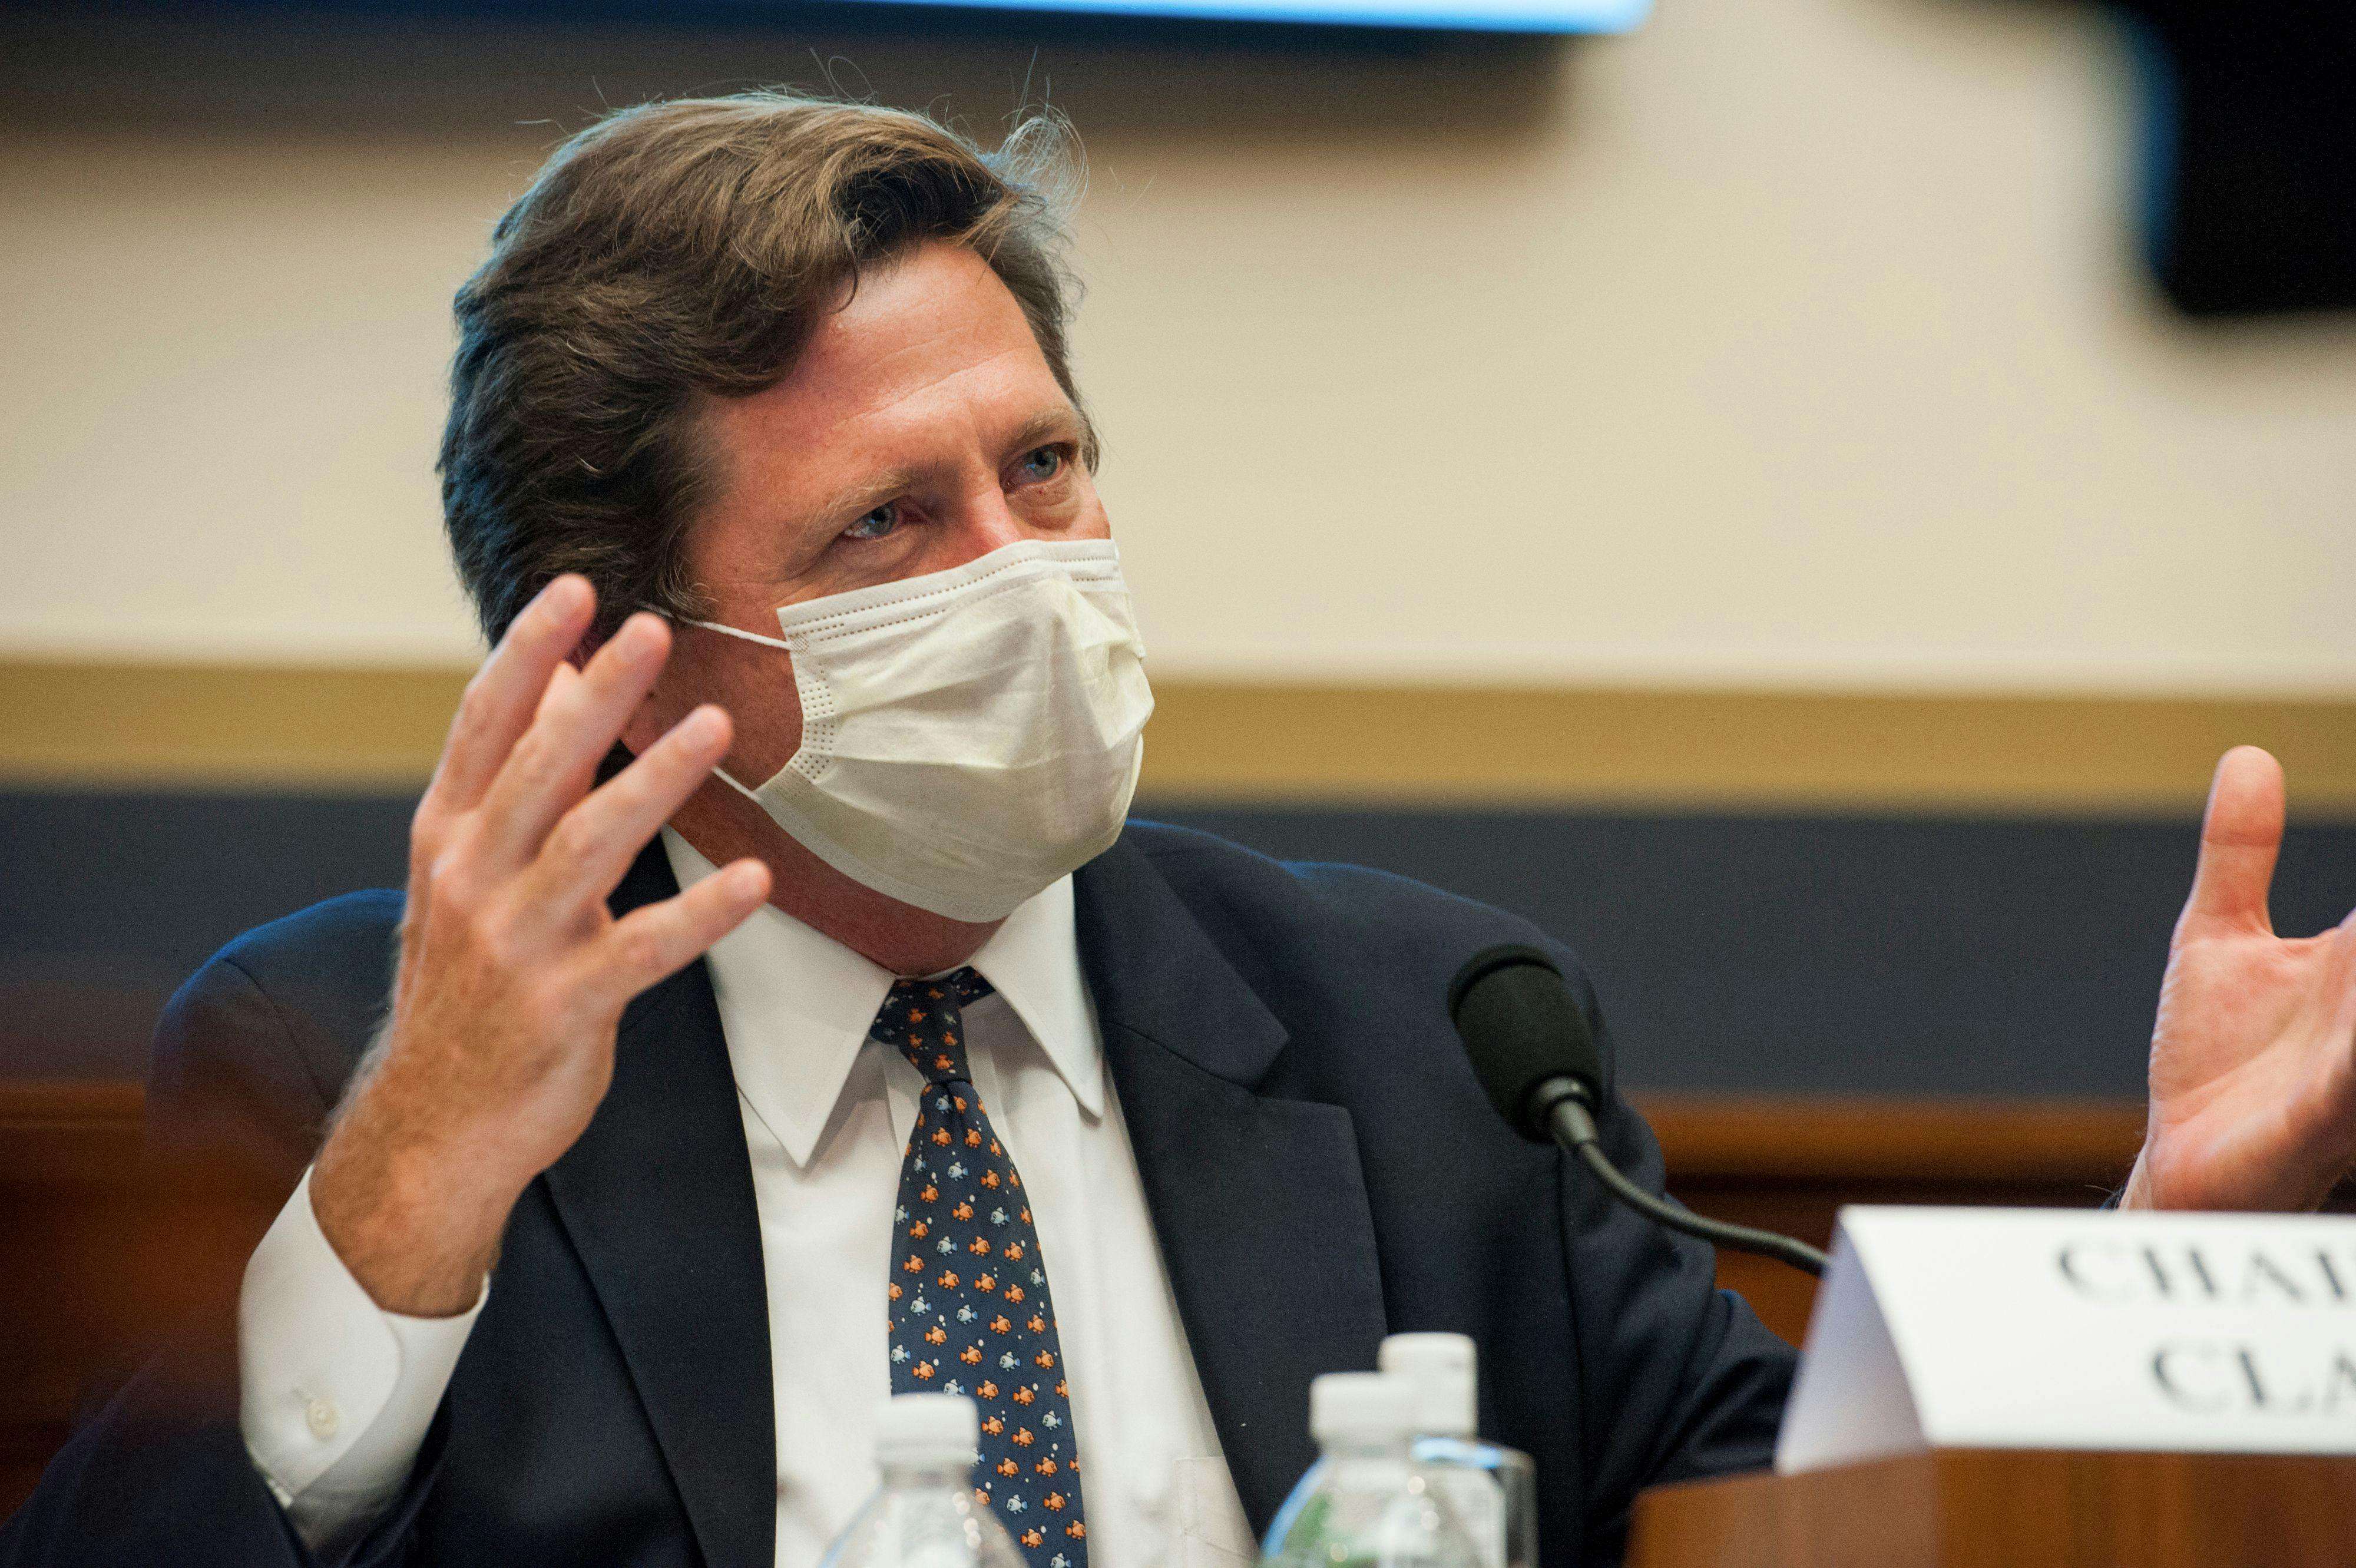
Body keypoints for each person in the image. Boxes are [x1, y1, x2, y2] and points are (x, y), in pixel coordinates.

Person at [5, 92, 2353, 1568]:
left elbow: (1819, 1532)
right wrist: (411, 1193)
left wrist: (2162, 1267)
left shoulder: (1432, 1028)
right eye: (883, 527)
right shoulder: (344, 1058)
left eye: (1042, 468)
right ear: (627, 664)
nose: (1023, 569)